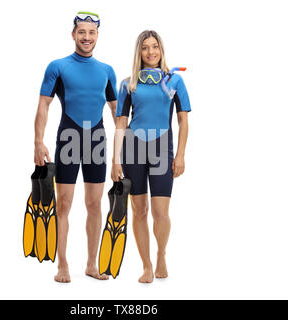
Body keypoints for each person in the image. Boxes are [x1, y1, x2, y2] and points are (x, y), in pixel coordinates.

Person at [34, 12, 118, 283]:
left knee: (95, 204)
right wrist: (38, 141)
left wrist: (124, 151)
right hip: (68, 139)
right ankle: (63, 265)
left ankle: (92, 265)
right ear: (73, 35)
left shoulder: (107, 71)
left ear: (97, 36)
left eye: (91, 33)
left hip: (96, 141)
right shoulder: (57, 67)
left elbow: (118, 114)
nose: (86, 37)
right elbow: (44, 105)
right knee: (64, 206)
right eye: (81, 32)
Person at [111, 30, 191, 283]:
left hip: (162, 148)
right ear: (139, 52)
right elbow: (121, 123)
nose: (150, 52)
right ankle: (146, 265)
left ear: (161, 49)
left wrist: (180, 155)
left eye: (154, 47)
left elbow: (183, 120)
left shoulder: (175, 81)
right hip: (133, 148)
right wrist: (115, 160)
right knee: (139, 210)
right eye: (145, 48)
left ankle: (161, 253)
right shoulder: (128, 84)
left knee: (160, 212)